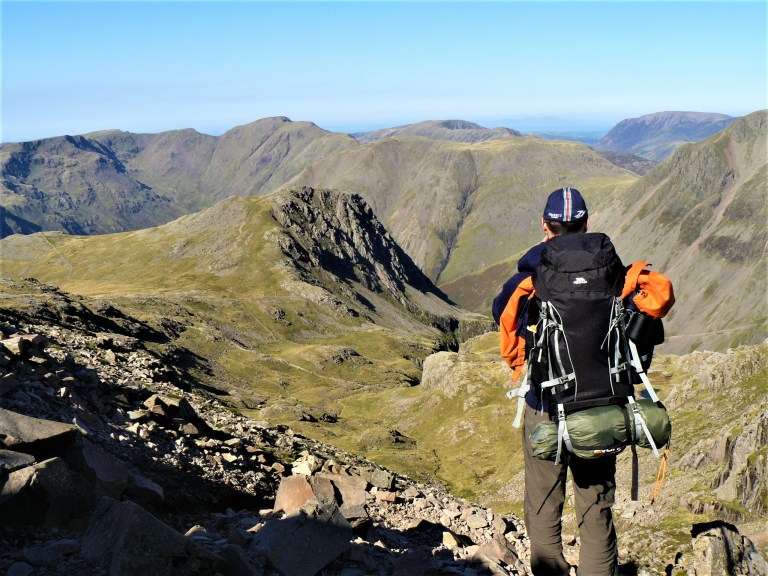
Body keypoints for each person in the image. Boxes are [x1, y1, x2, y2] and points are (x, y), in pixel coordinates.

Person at [495, 187, 620, 576]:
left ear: (545, 227)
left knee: (544, 502)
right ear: (586, 223)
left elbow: (503, 314)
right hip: (602, 409)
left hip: (545, 405)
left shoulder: (534, 273)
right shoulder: (611, 269)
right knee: (595, 508)